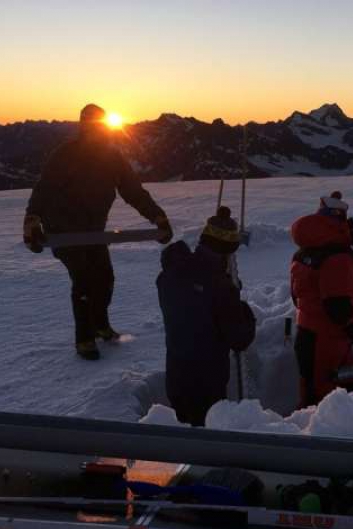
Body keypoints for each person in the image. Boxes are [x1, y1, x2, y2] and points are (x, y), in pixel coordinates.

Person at [23, 104, 173, 361]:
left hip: (93, 231)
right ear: (83, 126)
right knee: (83, 280)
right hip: (63, 230)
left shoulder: (111, 157)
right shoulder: (66, 154)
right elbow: (44, 189)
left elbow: (134, 192)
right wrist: (32, 220)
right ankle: (85, 338)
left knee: (105, 278)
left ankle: (100, 325)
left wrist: (157, 216)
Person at [290, 191, 353, 408]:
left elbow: (296, 296)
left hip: (311, 335)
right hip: (326, 343)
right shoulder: (336, 257)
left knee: (339, 396)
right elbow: (338, 306)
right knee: (320, 405)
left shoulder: (305, 252)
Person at [157, 207, 256, 426]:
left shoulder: (168, 275)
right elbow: (239, 339)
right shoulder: (221, 287)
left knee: (183, 433)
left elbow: (194, 302)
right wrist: (243, 309)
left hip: (176, 374)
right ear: (229, 249)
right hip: (207, 382)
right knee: (204, 437)